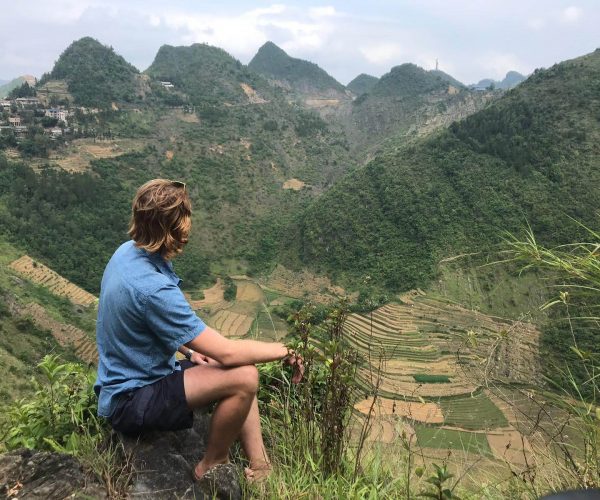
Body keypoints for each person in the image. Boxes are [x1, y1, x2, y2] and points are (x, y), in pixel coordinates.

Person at [94, 179, 304, 482]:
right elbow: (227, 351)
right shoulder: (152, 288)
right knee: (243, 375)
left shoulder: (127, 253)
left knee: (238, 365)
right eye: (185, 217)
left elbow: (143, 322)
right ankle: (212, 463)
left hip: (136, 379)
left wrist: (190, 351)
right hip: (132, 398)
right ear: (174, 230)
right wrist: (287, 349)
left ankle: (260, 465)